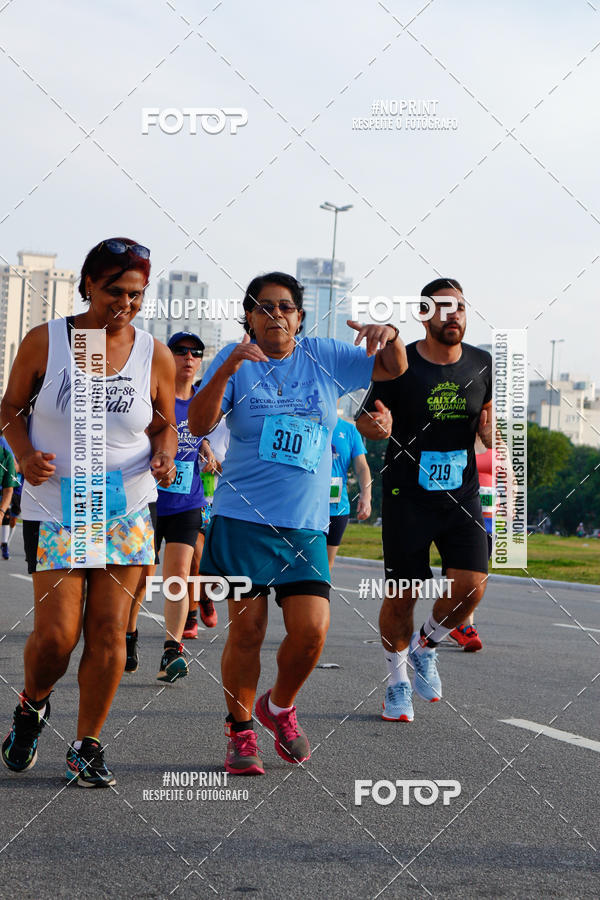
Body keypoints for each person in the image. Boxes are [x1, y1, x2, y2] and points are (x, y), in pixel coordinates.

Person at [188, 271, 407, 775]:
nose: (275, 316)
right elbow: (198, 424)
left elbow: (393, 368)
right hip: (242, 519)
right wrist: (226, 370)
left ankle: (279, 706)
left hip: (305, 526)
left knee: (311, 631)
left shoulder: (323, 356)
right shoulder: (234, 361)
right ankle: (241, 730)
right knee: (248, 632)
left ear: (300, 316)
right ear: (249, 317)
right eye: (264, 307)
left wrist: (391, 334)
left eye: (285, 307)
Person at [0, 237, 177, 786]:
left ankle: (87, 745)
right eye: (114, 291)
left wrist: (166, 454)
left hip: (126, 505)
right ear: (88, 286)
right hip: (59, 505)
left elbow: (164, 424)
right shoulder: (48, 340)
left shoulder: (153, 353)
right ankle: (32, 704)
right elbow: (10, 407)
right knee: (57, 637)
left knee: (108, 632)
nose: (125, 304)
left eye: (136, 294)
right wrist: (23, 454)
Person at [357, 277, 492, 724]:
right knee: (403, 596)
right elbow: (364, 416)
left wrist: (491, 434)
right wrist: (376, 426)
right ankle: (397, 683)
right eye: (442, 308)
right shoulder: (401, 363)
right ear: (423, 315)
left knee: (472, 585)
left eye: (460, 307)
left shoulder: (483, 363)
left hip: (461, 494)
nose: (453, 315)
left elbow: (489, 422)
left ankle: (427, 644)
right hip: (407, 496)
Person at [124, 331, 216, 680]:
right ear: (167, 356)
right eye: (180, 351)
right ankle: (128, 635)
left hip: (187, 502)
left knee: (178, 575)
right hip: (147, 499)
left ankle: (171, 650)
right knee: (142, 577)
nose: (189, 357)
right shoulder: (150, 396)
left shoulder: (203, 402)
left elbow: (205, 433)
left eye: (196, 352)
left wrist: (206, 449)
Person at [448, 437, 490, 652]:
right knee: (467, 573)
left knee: (478, 576)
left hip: (491, 518)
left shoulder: (498, 444)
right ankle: (466, 627)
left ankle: (455, 623)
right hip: (463, 514)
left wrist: (511, 510)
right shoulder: (459, 438)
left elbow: (510, 478)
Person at [327, 415, 372, 568]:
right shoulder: (307, 421)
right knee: (301, 563)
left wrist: (366, 495)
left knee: (325, 565)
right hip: (307, 506)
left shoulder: (349, 430)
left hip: (336, 507)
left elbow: (362, 467)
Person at [0, 435, 17, 559]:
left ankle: (5, 544)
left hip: (5, 490)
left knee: (8, 517)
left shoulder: (6, 449)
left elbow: (8, 490)